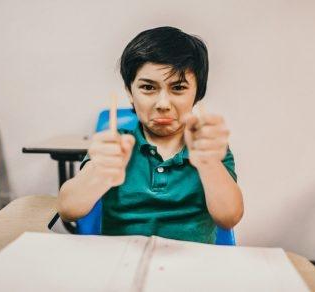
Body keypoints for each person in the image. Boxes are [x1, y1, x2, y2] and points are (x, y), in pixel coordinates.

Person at [57, 26, 243, 243]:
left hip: (191, 268)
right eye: (148, 87)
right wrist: (99, 171)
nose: (163, 104)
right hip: (120, 264)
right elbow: (68, 210)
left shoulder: (208, 147)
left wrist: (209, 164)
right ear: (129, 92)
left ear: (197, 93)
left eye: (179, 88)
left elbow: (229, 218)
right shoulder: (116, 145)